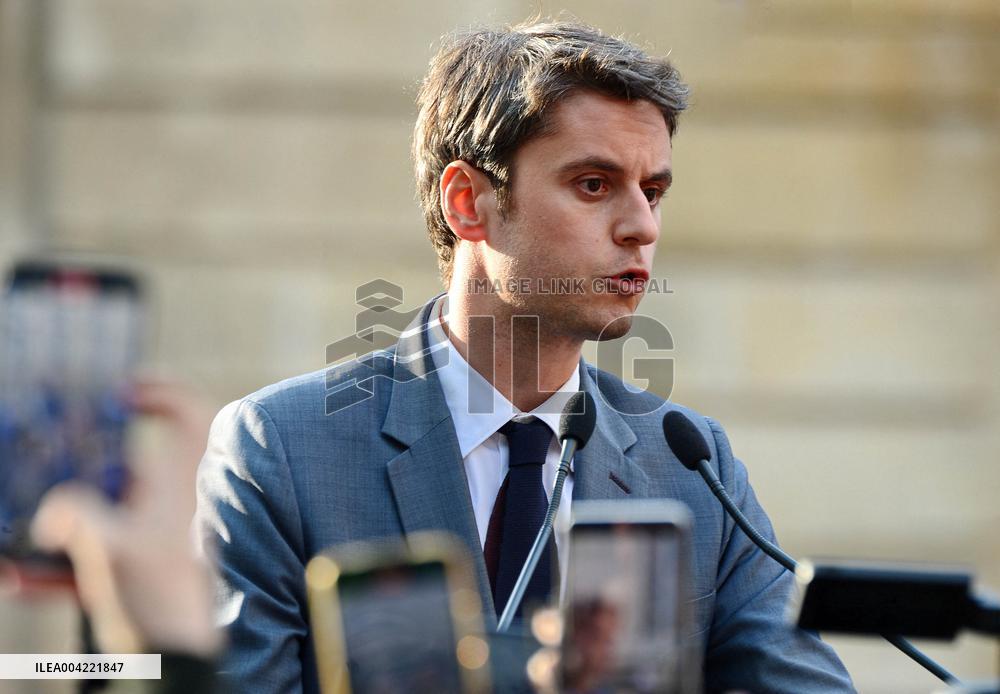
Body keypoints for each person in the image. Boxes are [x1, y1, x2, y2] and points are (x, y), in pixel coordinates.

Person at [196, 20, 856, 693]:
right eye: (594, 185)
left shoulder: (693, 466)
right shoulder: (282, 449)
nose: (643, 227)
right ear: (468, 203)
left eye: (652, 192)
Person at [29, 380, 222, 694]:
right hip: (188, 666)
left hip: (167, 671)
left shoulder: (105, 529)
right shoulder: (178, 515)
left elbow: (49, 529)